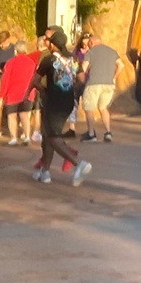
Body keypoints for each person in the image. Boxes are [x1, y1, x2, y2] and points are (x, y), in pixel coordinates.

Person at [27, 32, 92, 186]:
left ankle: (78, 163)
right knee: (47, 134)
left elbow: (35, 80)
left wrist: (43, 90)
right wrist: (69, 88)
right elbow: (81, 79)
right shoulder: (74, 59)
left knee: (52, 137)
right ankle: (45, 171)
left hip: (53, 102)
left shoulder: (49, 59)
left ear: (53, 44)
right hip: (68, 101)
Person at [80, 34, 123, 143]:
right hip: (109, 84)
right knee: (103, 107)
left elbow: (83, 68)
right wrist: (114, 77)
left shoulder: (90, 52)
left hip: (93, 84)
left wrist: (79, 78)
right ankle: (108, 132)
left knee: (89, 108)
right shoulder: (112, 51)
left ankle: (91, 134)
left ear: (91, 42)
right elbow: (121, 65)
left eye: (89, 44)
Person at [0, 41, 36, 146]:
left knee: (12, 116)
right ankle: (27, 137)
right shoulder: (31, 63)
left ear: (15, 51)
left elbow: (5, 80)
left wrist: (1, 94)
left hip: (13, 93)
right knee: (24, 116)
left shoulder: (10, 63)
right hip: (27, 93)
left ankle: (14, 138)